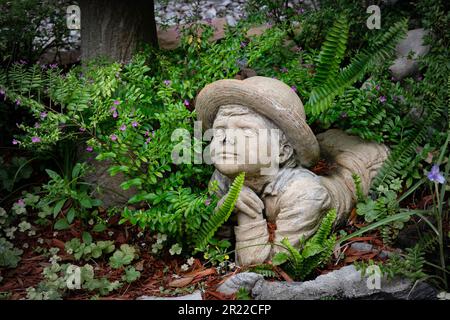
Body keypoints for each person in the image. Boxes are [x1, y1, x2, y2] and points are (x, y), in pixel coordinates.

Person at [195, 76, 389, 265]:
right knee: (326, 143)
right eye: (219, 131)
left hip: (362, 167)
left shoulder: (305, 194)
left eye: (246, 131)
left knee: (356, 153)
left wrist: (249, 217)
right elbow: (213, 245)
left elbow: (272, 265)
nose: (225, 139)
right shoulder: (223, 177)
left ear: (283, 150)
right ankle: (324, 141)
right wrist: (222, 211)